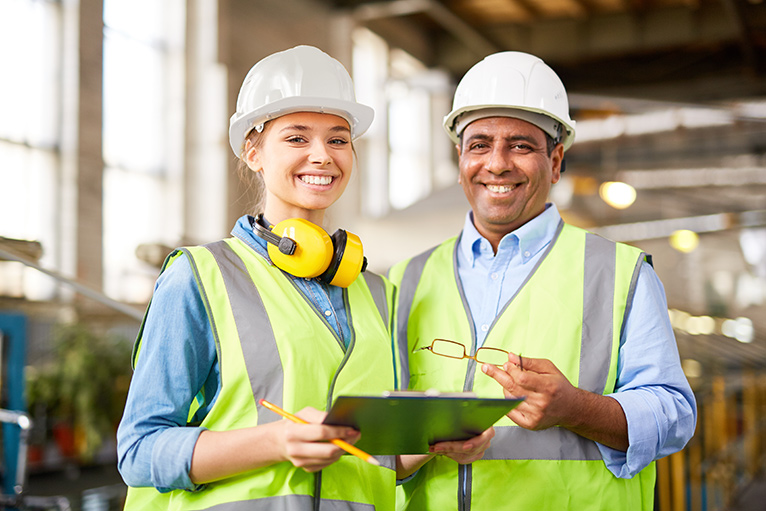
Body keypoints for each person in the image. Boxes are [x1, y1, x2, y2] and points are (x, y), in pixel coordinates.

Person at [116, 45, 490, 511]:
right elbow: (138, 450)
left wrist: (436, 442)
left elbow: (374, 458)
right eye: (297, 138)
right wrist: (276, 441)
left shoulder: (378, 293)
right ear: (253, 152)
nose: (322, 156)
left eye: (337, 139)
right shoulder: (201, 278)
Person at [388, 51, 697, 510]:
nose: (496, 164)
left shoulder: (618, 273)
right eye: (479, 144)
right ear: (460, 160)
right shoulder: (405, 280)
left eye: (520, 145)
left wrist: (575, 408)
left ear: (555, 161)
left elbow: (674, 415)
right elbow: (378, 434)